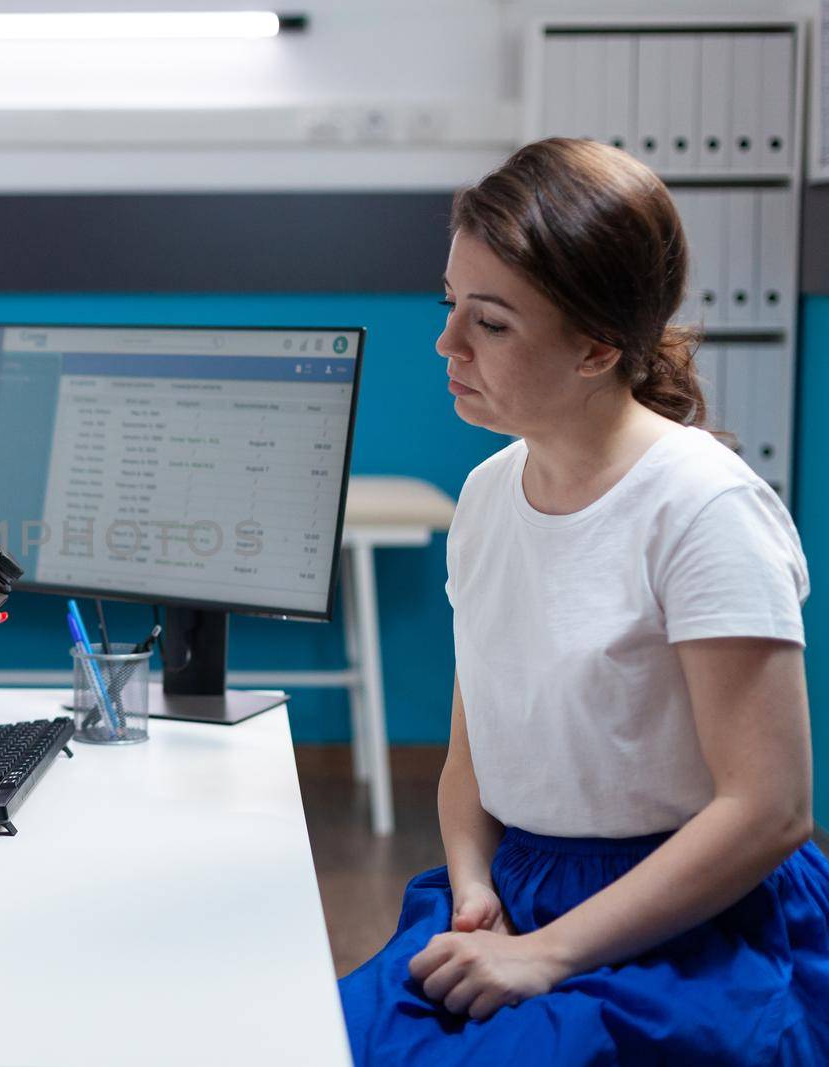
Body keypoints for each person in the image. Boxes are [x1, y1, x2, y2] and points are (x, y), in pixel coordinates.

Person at [339, 138, 828, 1063]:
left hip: (689, 914)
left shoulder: (702, 508)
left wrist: (547, 953)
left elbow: (770, 808)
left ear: (598, 347)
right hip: (521, 886)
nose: (446, 344)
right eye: (451, 306)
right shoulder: (486, 497)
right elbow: (472, 754)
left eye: (490, 322)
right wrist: (477, 883)